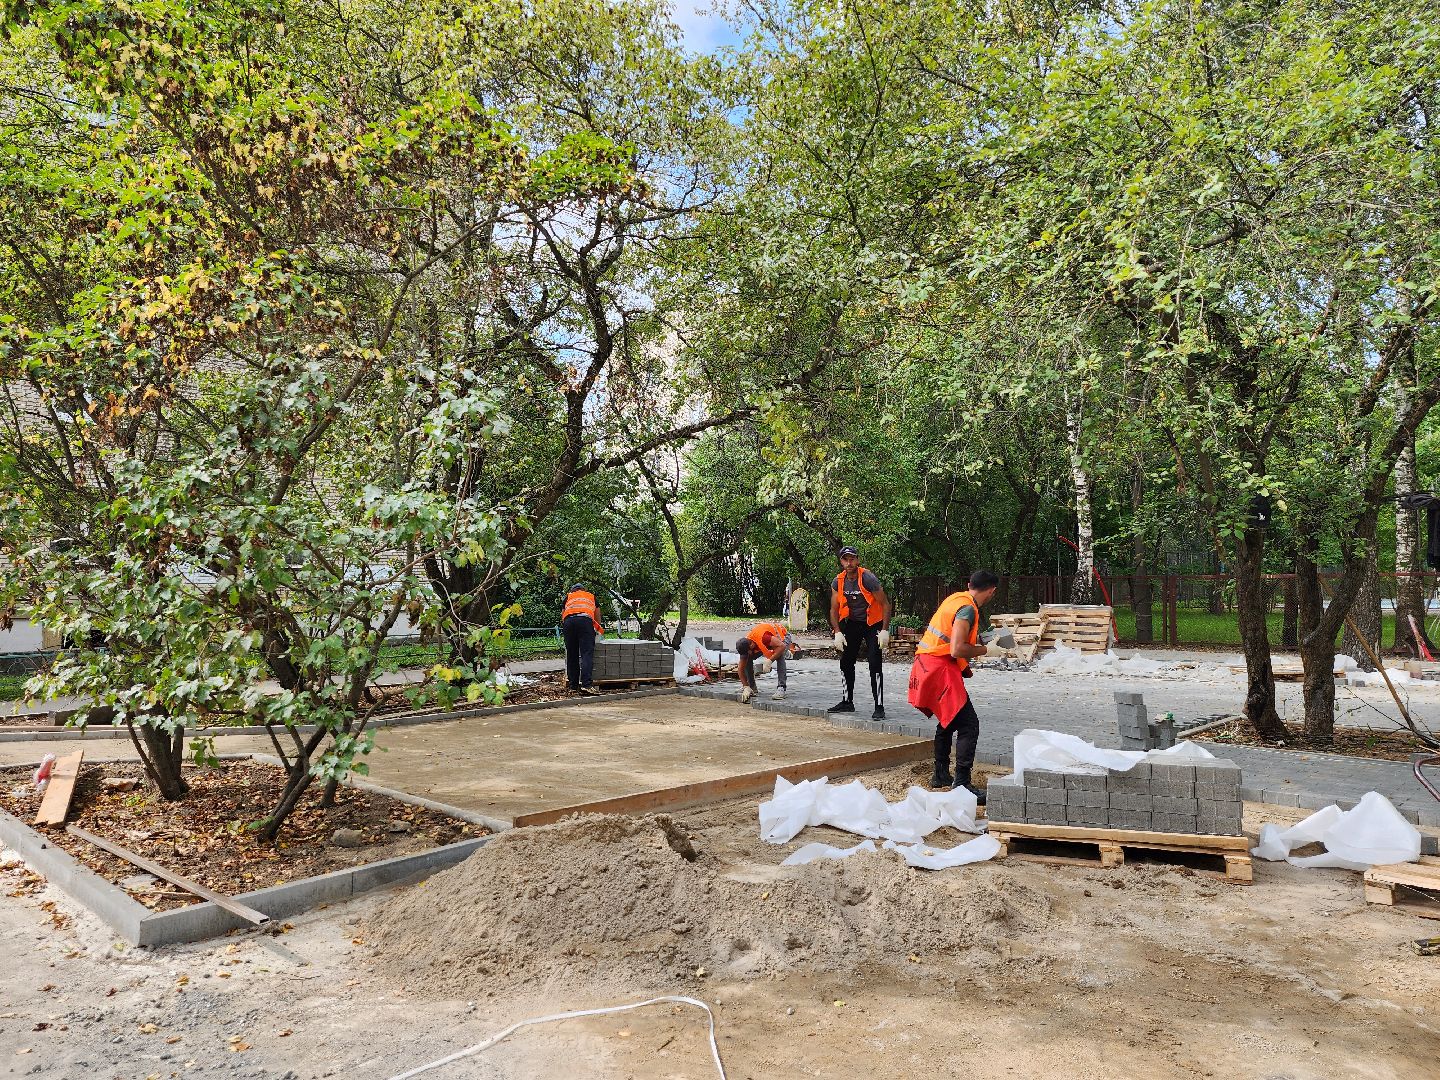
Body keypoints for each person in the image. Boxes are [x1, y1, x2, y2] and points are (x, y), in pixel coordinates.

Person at [908, 570, 1001, 800]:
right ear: (992, 591)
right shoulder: (968, 609)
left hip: (926, 665)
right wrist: (987, 650)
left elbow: (953, 635)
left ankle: (940, 774)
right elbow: (957, 648)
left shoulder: (956, 599)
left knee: (949, 719)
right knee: (969, 724)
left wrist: (985, 639)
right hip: (939, 669)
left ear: (969, 585)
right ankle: (962, 783)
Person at [826, 545, 891, 720]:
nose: (849, 563)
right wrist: (837, 632)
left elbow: (885, 604)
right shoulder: (838, 581)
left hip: (873, 623)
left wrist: (884, 630)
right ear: (841, 562)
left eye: (852, 559)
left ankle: (879, 706)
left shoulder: (868, 578)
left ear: (857, 560)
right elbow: (834, 609)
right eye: (845, 560)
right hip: (854, 623)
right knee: (846, 661)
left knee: (874, 662)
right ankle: (847, 702)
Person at [734, 620, 800, 704]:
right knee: (748, 658)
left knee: (779, 655)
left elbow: (782, 646)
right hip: (767, 641)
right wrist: (745, 686)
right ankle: (751, 687)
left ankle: (781, 688)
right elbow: (740, 669)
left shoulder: (764, 638)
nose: (747, 654)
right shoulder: (745, 645)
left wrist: (770, 660)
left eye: (748, 651)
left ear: (751, 645)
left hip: (782, 637)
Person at [560, 584, 604, 695]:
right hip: (585, 621)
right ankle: (586, 685)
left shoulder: (568, 597)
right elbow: (597, 615)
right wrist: (596, 629)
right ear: (583, 590)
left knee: (572, 655)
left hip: (569, 623)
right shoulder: (590, 596)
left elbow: (563, 615)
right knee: (586, 653)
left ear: (572, 590)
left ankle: (573, 686)